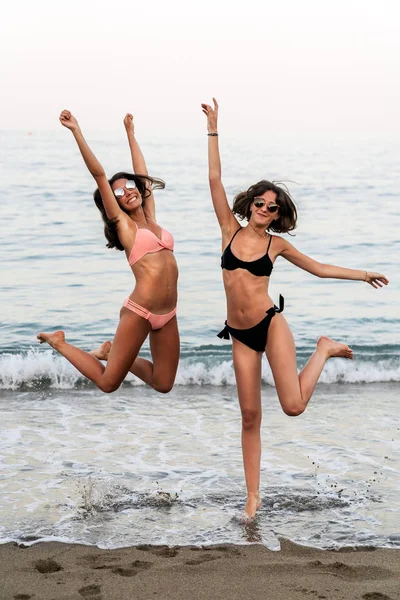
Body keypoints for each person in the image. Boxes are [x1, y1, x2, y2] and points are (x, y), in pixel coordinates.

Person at [201, 98, 389, 519]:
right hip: (239, 334)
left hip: (269, 326)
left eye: (273, 208)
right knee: (249, 415)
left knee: (293, 406)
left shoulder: (276, 245)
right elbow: (214, 179)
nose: (265, 210)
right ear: (249, 203)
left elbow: (319, 269)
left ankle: (322, 348)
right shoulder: (229, 231)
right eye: (260, 203)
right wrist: (214, 129)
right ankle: (252, 498)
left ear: (278, 215)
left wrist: (362, 274)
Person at [37, 111, 179, 394]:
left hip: (169, 313)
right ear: (114, 204)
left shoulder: (150, 217)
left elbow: (143, 174)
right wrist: (77, 130)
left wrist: (130, 134)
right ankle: (59, 342)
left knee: (163, 383)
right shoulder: (125, 226)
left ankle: (111, 351)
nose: (126, 192)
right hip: (139, 312)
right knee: (107, 383)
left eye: (129, 186)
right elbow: (99, 173)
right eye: (118, 194)